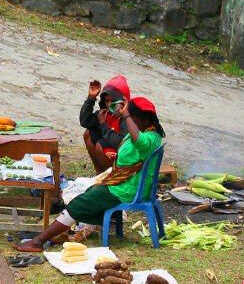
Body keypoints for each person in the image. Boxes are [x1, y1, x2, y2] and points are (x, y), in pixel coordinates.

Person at [15, 97, 165, 252]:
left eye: (133, 118)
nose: (130, 121)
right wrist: (118, 118)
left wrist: (127, 115)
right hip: (122, 183)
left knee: (77, 204)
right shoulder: (146, 130)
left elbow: (140, 142)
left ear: (146, 120)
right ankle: (62, 231)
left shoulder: (150, 138)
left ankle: (37, 242)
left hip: (127, 189)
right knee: (89, 192)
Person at [80, 75, 131, 174]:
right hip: (108, 149)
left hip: (123, 160)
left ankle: (111, 178)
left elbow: (120, 143)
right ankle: (99, 173)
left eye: (113, 101)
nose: (109, 104)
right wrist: (91, 98)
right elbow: (85, 121)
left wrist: (103, 125)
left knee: (100, 146)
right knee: (88, 134)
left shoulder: (128, 118)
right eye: (107, 101)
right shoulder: (105, 113)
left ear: (123, 101)